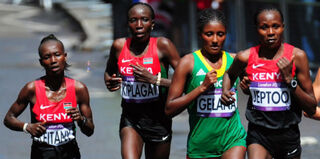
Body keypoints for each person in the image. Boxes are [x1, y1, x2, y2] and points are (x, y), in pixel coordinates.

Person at [221, 6, 317, 159]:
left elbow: (311, 107)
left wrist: (290, 81)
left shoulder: (297, 56)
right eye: (264, 27)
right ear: (256, 29)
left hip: (288, 134)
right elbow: (229, 74)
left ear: (283, 27)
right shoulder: (245, 57)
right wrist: (225, 90)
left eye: (276, 26)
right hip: (258, 134)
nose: (271, 32)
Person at [165, 8, 246, 159]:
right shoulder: (188, 63)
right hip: (200, 146)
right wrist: (201, 88)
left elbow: (253, 90)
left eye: (220, 34)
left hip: (232, 139)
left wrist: (247, 87)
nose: (215, 40)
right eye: (209, 34)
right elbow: (169, 109)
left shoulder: (235, 60)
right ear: (199, 34)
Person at [104, 2, 180, 159]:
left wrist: (155, 80)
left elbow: (187, 81)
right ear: (128, 23)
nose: (139, 25)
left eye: (144, 20)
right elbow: (109, 72)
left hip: (159, 120)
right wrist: (110, 81)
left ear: (152, 24)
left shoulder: (163, 45)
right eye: (133, 20)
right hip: (130, 119)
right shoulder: (119, 46)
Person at [3, 34, 94, 159]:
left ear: (65, 57)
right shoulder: (31, 89)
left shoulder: (79, 89)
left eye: (57, 55)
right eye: (47, 57)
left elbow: (89, 131)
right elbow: (8, 119)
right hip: (41, 152)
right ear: (41, 62)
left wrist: (80, 120)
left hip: (70, 153)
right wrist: (27, 127)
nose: (53, 60)